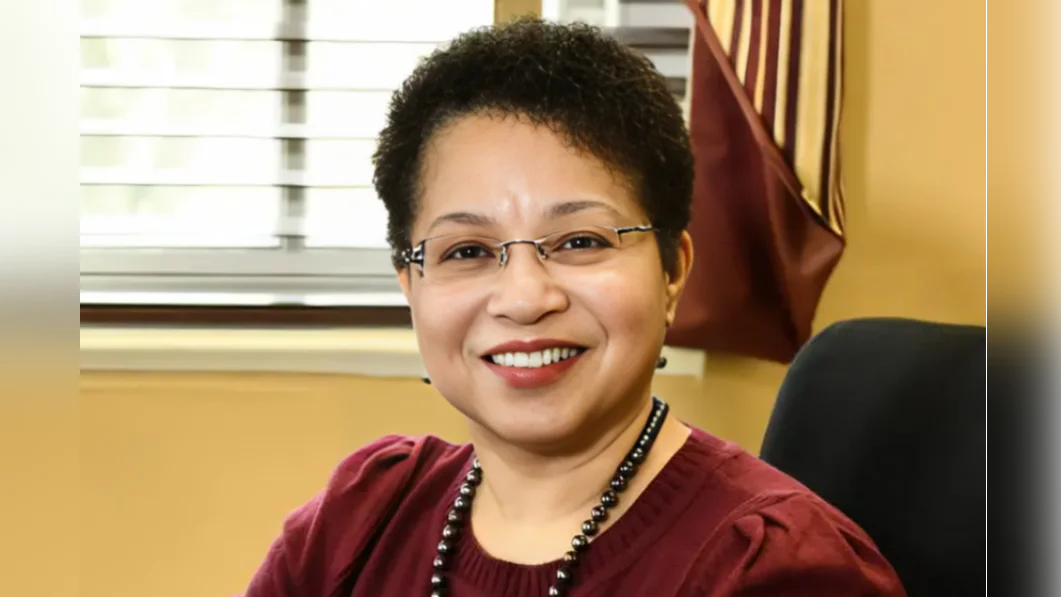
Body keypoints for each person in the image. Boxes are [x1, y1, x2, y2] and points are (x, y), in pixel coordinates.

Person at [244, 18, 906, 597]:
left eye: (581, 241)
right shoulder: (362, 523)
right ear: (410, 286)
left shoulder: (775, 569)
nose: (525, 299)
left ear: (673, 271)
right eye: (468, 251)